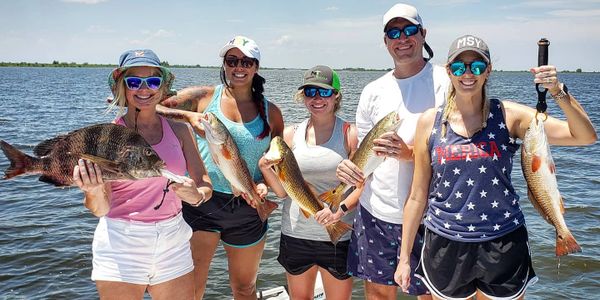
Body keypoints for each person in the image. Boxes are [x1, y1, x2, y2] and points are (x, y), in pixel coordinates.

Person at [395, 34, 597, 299]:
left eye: (477, 66)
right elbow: (417, 195)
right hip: (445, 242)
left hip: (503, 240)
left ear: (488, 71)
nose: (468, 73)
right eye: (459, 66)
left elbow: (584, 136)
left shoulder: (508, 115)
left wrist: (557, 91)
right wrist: (404, 259)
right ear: (449, 71)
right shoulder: (429, 122)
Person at [72, 49, 213, 299]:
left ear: (162, 87)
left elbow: (204, 184)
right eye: (134, 82)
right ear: (122, 87)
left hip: (173, 240)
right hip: (121, 244)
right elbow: (100, 209)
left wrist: (196, 196)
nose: (144, 89)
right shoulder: (106, 136)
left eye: (153, 81)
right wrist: (93, 190)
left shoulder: (180, 131)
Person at [335, 3, 449, 299]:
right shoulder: (373, 90)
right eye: (394, 32)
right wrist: (349, 169)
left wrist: (410, 153)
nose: (403, 38)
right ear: (385, 42)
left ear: (423, 34)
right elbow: (362, 153)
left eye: (410, 30)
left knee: (430, 294)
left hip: (431, 215)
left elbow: (457, 148)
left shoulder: (446, 82)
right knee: (378, 293)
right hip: (377, 212)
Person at [158, 36, 284, 299]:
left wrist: (262, 181)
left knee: (244, 288)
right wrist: (187, 116)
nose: (239, 67)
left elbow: (276, 159)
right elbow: (151, 107)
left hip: (249, 206)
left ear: (256, 67)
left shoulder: (271, 113)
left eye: (246, 61)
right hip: (202, 201)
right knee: (192, 285)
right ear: (224, 64)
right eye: (232, 60)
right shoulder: (203, 97)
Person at [258, 65, 359, 300]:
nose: (316, 99)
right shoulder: (291, 135)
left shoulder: (349, 134)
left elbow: (361, 185)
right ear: (302, 96)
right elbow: (283, 193)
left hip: (337, 235)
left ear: (336, 95)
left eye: (324, 92)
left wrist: (339, 212)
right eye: (309, 92)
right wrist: (265, 168)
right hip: (295, 234)